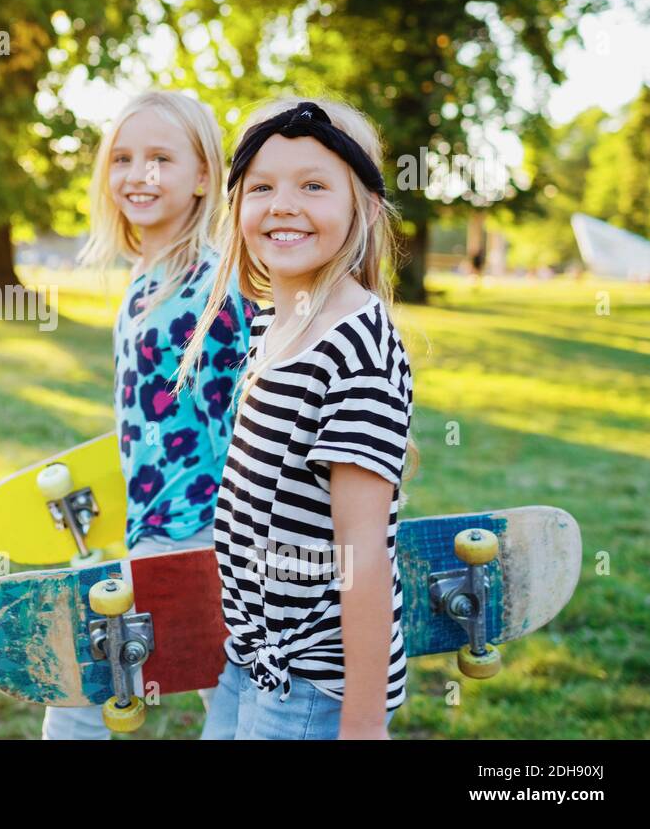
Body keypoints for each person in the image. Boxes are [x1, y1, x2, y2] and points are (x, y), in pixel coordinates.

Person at [177, 98, 416, 740]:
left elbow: (362, 558)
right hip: (253, 655)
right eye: (262, 187)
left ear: (364, 207)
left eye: (313, 185)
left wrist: (364, 725)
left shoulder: (355, 350)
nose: (283, 204)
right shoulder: (272, 327)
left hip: (314, 684)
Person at [40, 91, 254, 740]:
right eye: (124, 158)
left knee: (86, 682)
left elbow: (256, 404)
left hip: (207, 537)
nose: (141, 174)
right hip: (151, 527)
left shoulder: (221, 282)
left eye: (162, 157)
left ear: (203, 178)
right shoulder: (143, 279)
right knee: (98, 684)